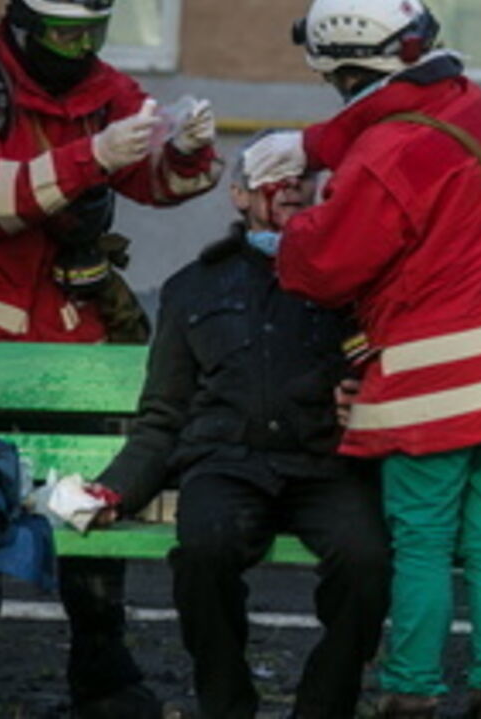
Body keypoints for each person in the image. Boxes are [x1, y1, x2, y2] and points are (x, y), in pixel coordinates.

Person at [242, 0, 481, 719]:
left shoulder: (383, 159)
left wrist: (280, 234)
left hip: (439, 387)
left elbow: (328, 265)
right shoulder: (469, 104)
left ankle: (412, 694)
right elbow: (389, 112)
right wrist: (305, 146)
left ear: (350, 71)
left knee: (422, 545)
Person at [0, 0, 222, 718]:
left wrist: (185, 152)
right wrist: (94, 156)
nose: (79, 48)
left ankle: (103, 674)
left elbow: (157, 183)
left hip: (73, 339)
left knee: (88, 501)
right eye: (62, 30)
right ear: (16, 14)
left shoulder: (106, 89)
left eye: (94, 30)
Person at [92, 139, 392, 719]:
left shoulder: (354, 280)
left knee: (367, 563)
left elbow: (387, 371)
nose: (293, 189)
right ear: (238, 194)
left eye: (304, 177)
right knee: (203, 554)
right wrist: (117, 488)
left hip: (325, 467)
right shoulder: (193, 288)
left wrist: (370, 396)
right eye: (275, 178)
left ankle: (324, 707)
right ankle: (226, 705)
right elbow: (163, 415)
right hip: (226, 466)